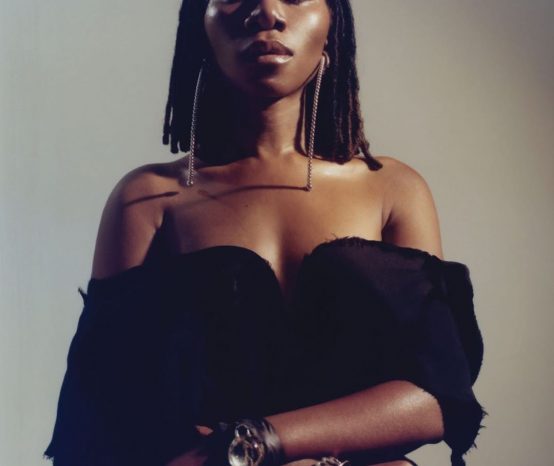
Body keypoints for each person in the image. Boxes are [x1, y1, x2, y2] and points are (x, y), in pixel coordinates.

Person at [43, 1, 486, 466]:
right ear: (200, 26)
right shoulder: (148, 200)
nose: (267, 12)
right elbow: (103, 409)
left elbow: (438, 395)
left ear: (332, 24)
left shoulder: (393, 190)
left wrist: (256, 442)